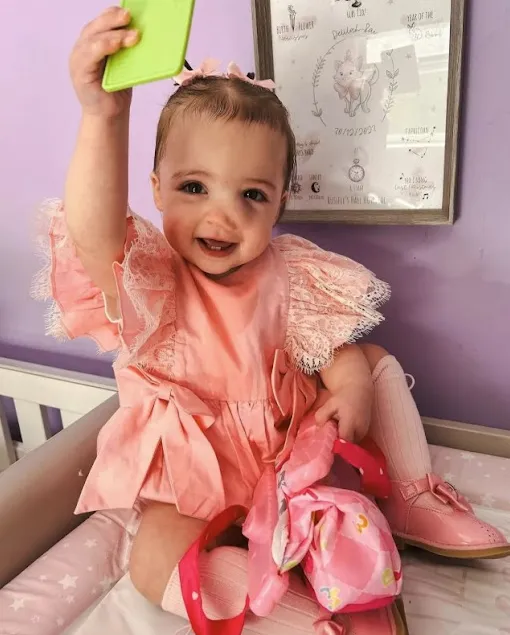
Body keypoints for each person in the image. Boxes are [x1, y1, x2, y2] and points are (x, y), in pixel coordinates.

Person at [34, 7, 510, 634]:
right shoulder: (153, 280)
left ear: (280, 202)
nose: (222, 217)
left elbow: (331, 346)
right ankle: (306, 618)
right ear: (155, 188)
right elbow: (94, 233)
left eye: (251, 195)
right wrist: (103, 116)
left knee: (371, 361)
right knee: (151, 561)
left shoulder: (290, 271)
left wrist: (350, 385)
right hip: (196, 479)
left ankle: (409, 497)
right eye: (194, 187)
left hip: (293, 466)